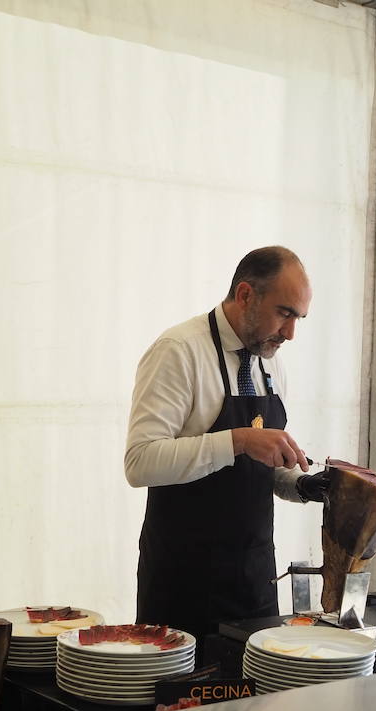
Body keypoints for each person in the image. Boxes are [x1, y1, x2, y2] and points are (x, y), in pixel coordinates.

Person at [125, 245, 330, 640]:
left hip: (255, 585)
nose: (290, 333)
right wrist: (237, 440)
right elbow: (140, 463)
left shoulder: (270, 359)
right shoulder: (179, 351)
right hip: (183, 589)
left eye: (298, 318)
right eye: (284, 313)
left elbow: (260, 469)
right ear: (245, 295)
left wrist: (300, 484)